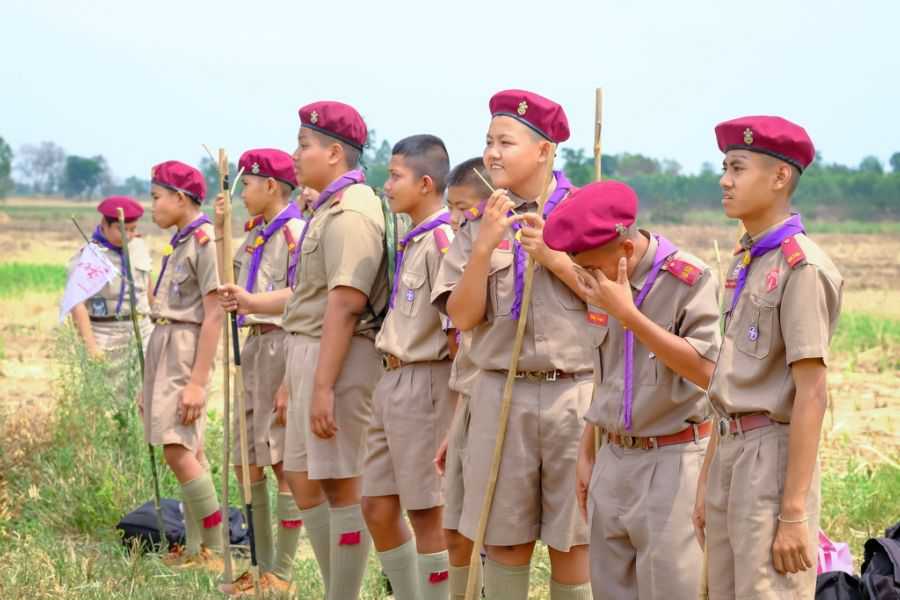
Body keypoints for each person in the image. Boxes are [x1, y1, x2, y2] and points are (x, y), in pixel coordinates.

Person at [218, 100, 387, 599]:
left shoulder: (352, 212)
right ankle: (336, 587)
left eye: (304, 144)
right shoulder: (329, 208)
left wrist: (322, 387)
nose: (295, 154)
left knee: (341, 483)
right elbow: (314, 297)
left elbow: (345, 304)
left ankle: (343, 593)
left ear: (334, 153)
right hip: (307, 350)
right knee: (303, 476)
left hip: (336, 357)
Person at [432, 89, 593, 600]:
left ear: (544, 150)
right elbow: (461, 317)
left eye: (506, 142)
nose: (492, 153)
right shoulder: (482, 220)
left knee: (574, 540)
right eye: (489, 142)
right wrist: (483, 247)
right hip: (502, 393)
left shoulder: (585, 213)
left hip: (574, 397)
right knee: (504, 539)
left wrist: (553, 257)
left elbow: (612, 303)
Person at [543, 179, 721, 599]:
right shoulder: (599, 278)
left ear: (625, 249)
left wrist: (630, 316)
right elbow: (608, 375)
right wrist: (587, 450)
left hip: (672, 460)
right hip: (612, 458)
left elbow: (708, 373)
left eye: (592, 268)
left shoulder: (687, 280)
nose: (586, 279)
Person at [695, 116, 843, 600]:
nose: (725, 180)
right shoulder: (748, 259)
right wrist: (707, 481)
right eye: (724, 168)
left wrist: (794, 513)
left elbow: (811, 393)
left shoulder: (801, 268)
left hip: (769, 460)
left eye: (737, 168)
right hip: (730, 449)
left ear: (780, 177)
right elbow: (729, 383)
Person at [361, 134, 456, 600]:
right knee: (376, 506)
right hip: (392, 378)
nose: (387, 185)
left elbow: (458, 334)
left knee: (427, 512)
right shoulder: (412, 239)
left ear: (425, 183)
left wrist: (458, 412)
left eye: (395, 176)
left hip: (427, 383)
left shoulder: (442, 241)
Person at [214, 148, 306, 596]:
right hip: (252, 345)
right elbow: (230, 283)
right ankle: (259, 564)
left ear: (271, 186)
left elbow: (303, 294)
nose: (242, 194)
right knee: (245, 459)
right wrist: (220, 230)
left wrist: (250, 303)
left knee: (282, 459)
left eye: (247, 185)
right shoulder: (255, 233)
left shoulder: (295, 232)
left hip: (282, 344)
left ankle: (281, 573)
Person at [141, 160, 225, 571]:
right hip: (165, 343)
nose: (151, 205)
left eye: (156, 197)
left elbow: (214, 314)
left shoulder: (205, 242)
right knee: (188, 449)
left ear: (179, 197)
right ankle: (196, 549)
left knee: (178, 447)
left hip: (185, 348)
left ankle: (216, 548)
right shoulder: (181, 241)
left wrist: (197, 382)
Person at [433, 157, 493, 600]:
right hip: (468, 401)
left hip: (497, 400)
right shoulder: (460, 253)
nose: (454, 218)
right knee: (456, 528)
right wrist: (455, 426)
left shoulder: (509, 246)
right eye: (450, 208)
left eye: (463, 207)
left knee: (498, 534)